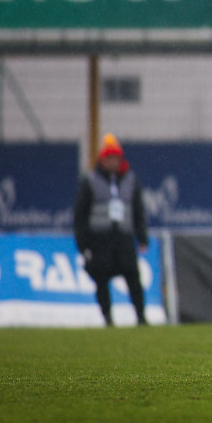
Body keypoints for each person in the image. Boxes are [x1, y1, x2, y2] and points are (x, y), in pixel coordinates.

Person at [73, 133, 149, 327]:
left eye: (115, 158)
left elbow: (138, 211)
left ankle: (141, 316)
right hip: (100, 239)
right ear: (102, 160)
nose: (112, 162)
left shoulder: (130, 180)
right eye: (109, 158)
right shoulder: (91, 181)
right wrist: (83, 243)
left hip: (124, 238)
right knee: (101, 278)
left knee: (133, 277)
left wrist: (142, 238)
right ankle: (107, 317)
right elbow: (80, 215)